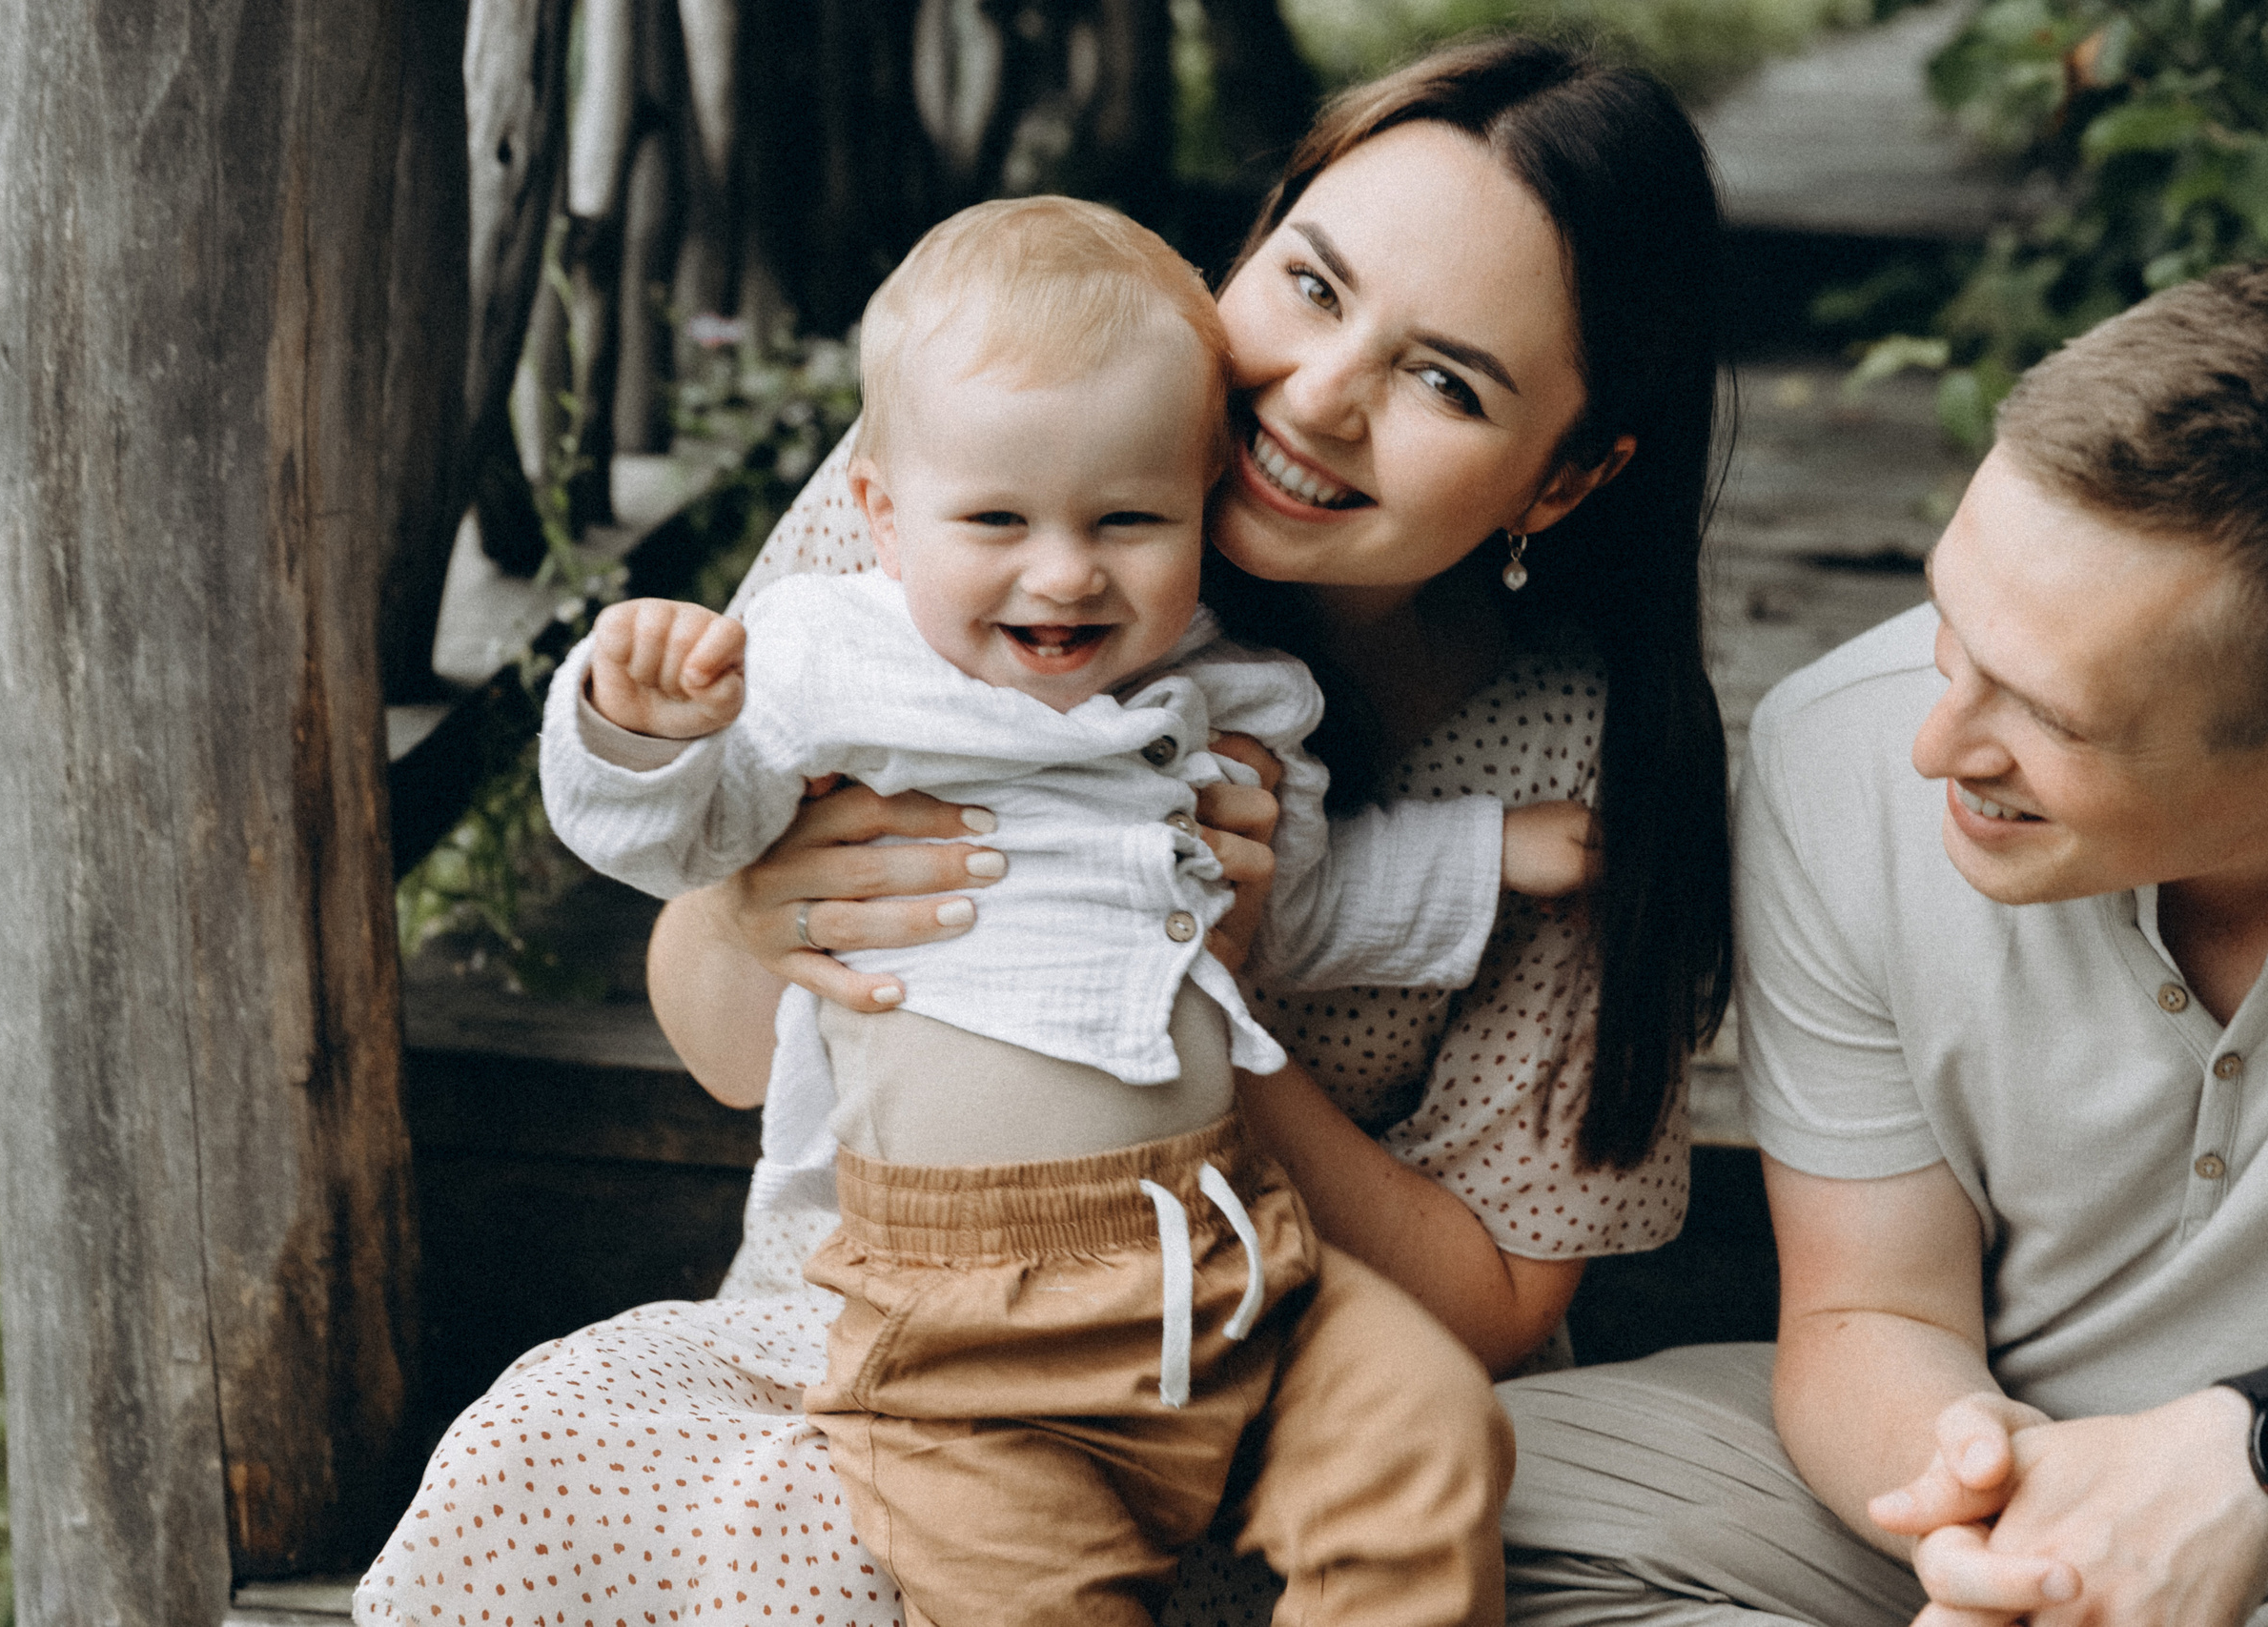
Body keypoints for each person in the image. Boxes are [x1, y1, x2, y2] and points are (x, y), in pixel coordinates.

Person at [356, 34, 1735, 1627]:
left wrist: (1193, 999)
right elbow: (730, 1050)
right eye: (1309, 283)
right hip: (903, 1309)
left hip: (1283, 1351)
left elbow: (1495, 1298)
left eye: (1445, 380)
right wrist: (747, 906)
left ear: (1563, 480)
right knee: (593, 1463)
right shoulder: (974, 466)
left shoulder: (1577, 761)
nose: (1318, 395)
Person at [542, 193, 1594, 1625]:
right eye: (998, 522)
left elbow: (1309, 904)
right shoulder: (832, 662)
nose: (1064, 571)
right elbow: (679, 843)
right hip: (958, 1314)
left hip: (1221, 1255)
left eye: (1129, 521)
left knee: (1426, 1445)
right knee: (1029, 1591)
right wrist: (640, 727)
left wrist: (1486, 857)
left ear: (1200, 494)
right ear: (883, 515)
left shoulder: (1220, 702)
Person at [1499, 264, 2268, 1626]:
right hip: (2001, 1468)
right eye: (1949, 632)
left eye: (2051, 717)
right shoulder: (1841, 749)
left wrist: (2241, 1462)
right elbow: (1876, 1316)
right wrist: (2010, 1535)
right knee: (1460, 1494)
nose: (1936, 748)